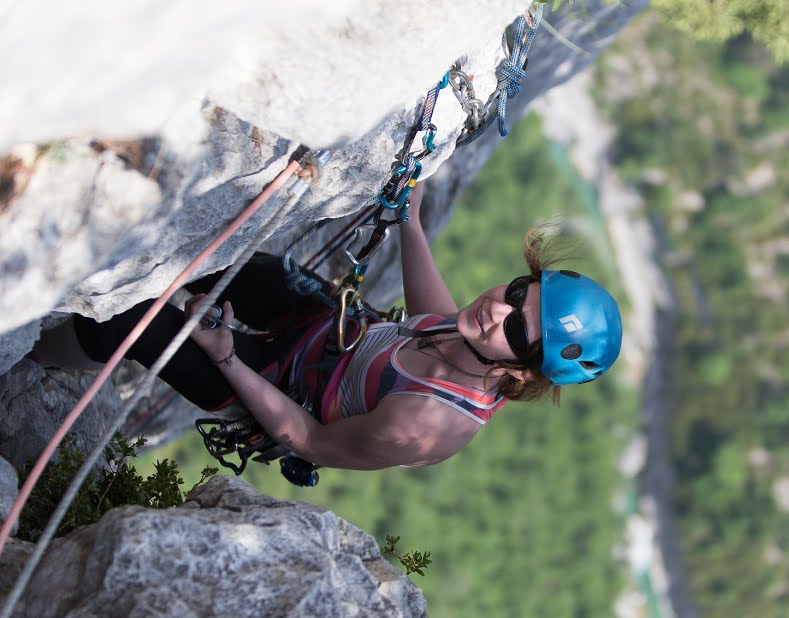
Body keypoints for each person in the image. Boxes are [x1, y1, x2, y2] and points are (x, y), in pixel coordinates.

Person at [31, 182, 623, 470]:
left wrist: (226, 356)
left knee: (134, 322)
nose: (498, 309)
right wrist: (410, 224)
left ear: (521, 370)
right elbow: (430, 315)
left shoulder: (426, 424)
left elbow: (309, 442)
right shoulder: (471, 335)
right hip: (318, 326)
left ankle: (34, 348)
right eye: (519, 292)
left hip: (270, 389)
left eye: (518, 329)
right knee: (222, 259)